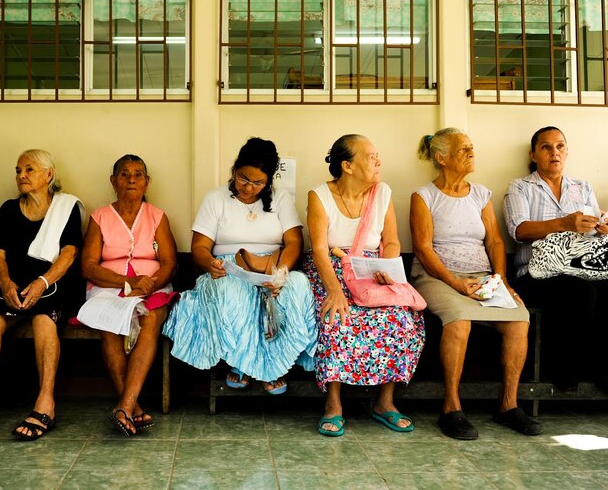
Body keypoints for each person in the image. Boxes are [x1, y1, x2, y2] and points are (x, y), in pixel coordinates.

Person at [410, 128, 541, 440]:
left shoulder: (481, 194)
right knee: (460, 320)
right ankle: (451, 408)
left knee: (518, 320)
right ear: (441, 158)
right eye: (463, 149)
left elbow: (495, 240)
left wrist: (502, 280)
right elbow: (424, 249)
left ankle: (508, 406)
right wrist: (456, 284)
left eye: (471, 147)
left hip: (482, 276)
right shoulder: (424, 196)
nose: (471, 153)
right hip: (436, 276)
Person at [163, 138, 317, 397]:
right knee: (230, 290)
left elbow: (293, 242)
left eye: (258, 183)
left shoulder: (280, 199)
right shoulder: (216, 198)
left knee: (297, 285)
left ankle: (277, 364)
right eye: (243, 179)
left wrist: (280, 272)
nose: (248, 188)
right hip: (229, 267)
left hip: (272, 266)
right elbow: (200, 246)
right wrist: (210, 263)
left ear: (268, 181)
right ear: (234, 170)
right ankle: (241, 363)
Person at [503, 126, 608, 393]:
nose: (554, 152)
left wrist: (604, 226)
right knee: (579, 293)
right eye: (546, 147)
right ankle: (563, 368)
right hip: (536, 273)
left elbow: (592, 228)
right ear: (534, 154)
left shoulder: (582, 187)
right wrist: (564, 223)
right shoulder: (520, 187)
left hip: (580, 267)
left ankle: (603, 367)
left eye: (560, 146)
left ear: (567, 152)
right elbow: (519, 230)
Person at [305, 134, 425, 437]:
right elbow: (319, 249)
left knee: (398, 319)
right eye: (371, 157)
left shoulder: (382, 192)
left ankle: (385, 402)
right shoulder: (319, 196)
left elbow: (393, 241)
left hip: (373, 270)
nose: (379, 161)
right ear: (347, 165)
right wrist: (333, 289)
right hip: (332, 269)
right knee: (337, 318)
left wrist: (386, 268)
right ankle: (333, 404)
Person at [0, 149, 83, 440]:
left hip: (50, 283)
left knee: (44, 321)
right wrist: (5, 283)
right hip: (13, 284)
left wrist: (42, 282)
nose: (21, 176)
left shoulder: (67, 208)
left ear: (49, 175)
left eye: (29, 170)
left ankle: (45, 403)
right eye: (18, 170)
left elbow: (69, 254)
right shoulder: (8, 210)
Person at [81, 154, 178, 436]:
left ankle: (123, 404)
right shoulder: (99, 217)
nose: (131, 179)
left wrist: (148, 284)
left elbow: (170, 263)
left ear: (147, 182)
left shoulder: (157, 216)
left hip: (153, 287)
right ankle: (131, 407)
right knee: (109, 325)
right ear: (113, 181)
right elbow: (87, 266)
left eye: (138, 174)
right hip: (108, 287)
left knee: (151, 320)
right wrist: (127, 281)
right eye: (124, 174)